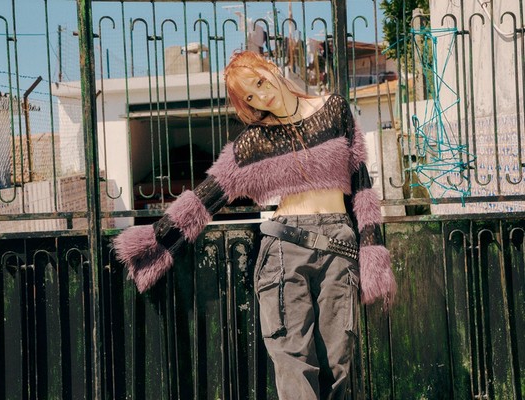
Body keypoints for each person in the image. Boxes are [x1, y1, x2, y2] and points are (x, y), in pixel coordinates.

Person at [113, 50, 396, 400]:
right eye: (250, 97)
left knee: (337, 366)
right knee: (292, 362)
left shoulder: (334, 108)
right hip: (285, 251)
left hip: (338, 247)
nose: (261, 97)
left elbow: (361, 185)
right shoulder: (253, 142)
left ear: (272, 68)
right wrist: (156, 240)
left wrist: (372, 248)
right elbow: (205, 197)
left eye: (260, 83)